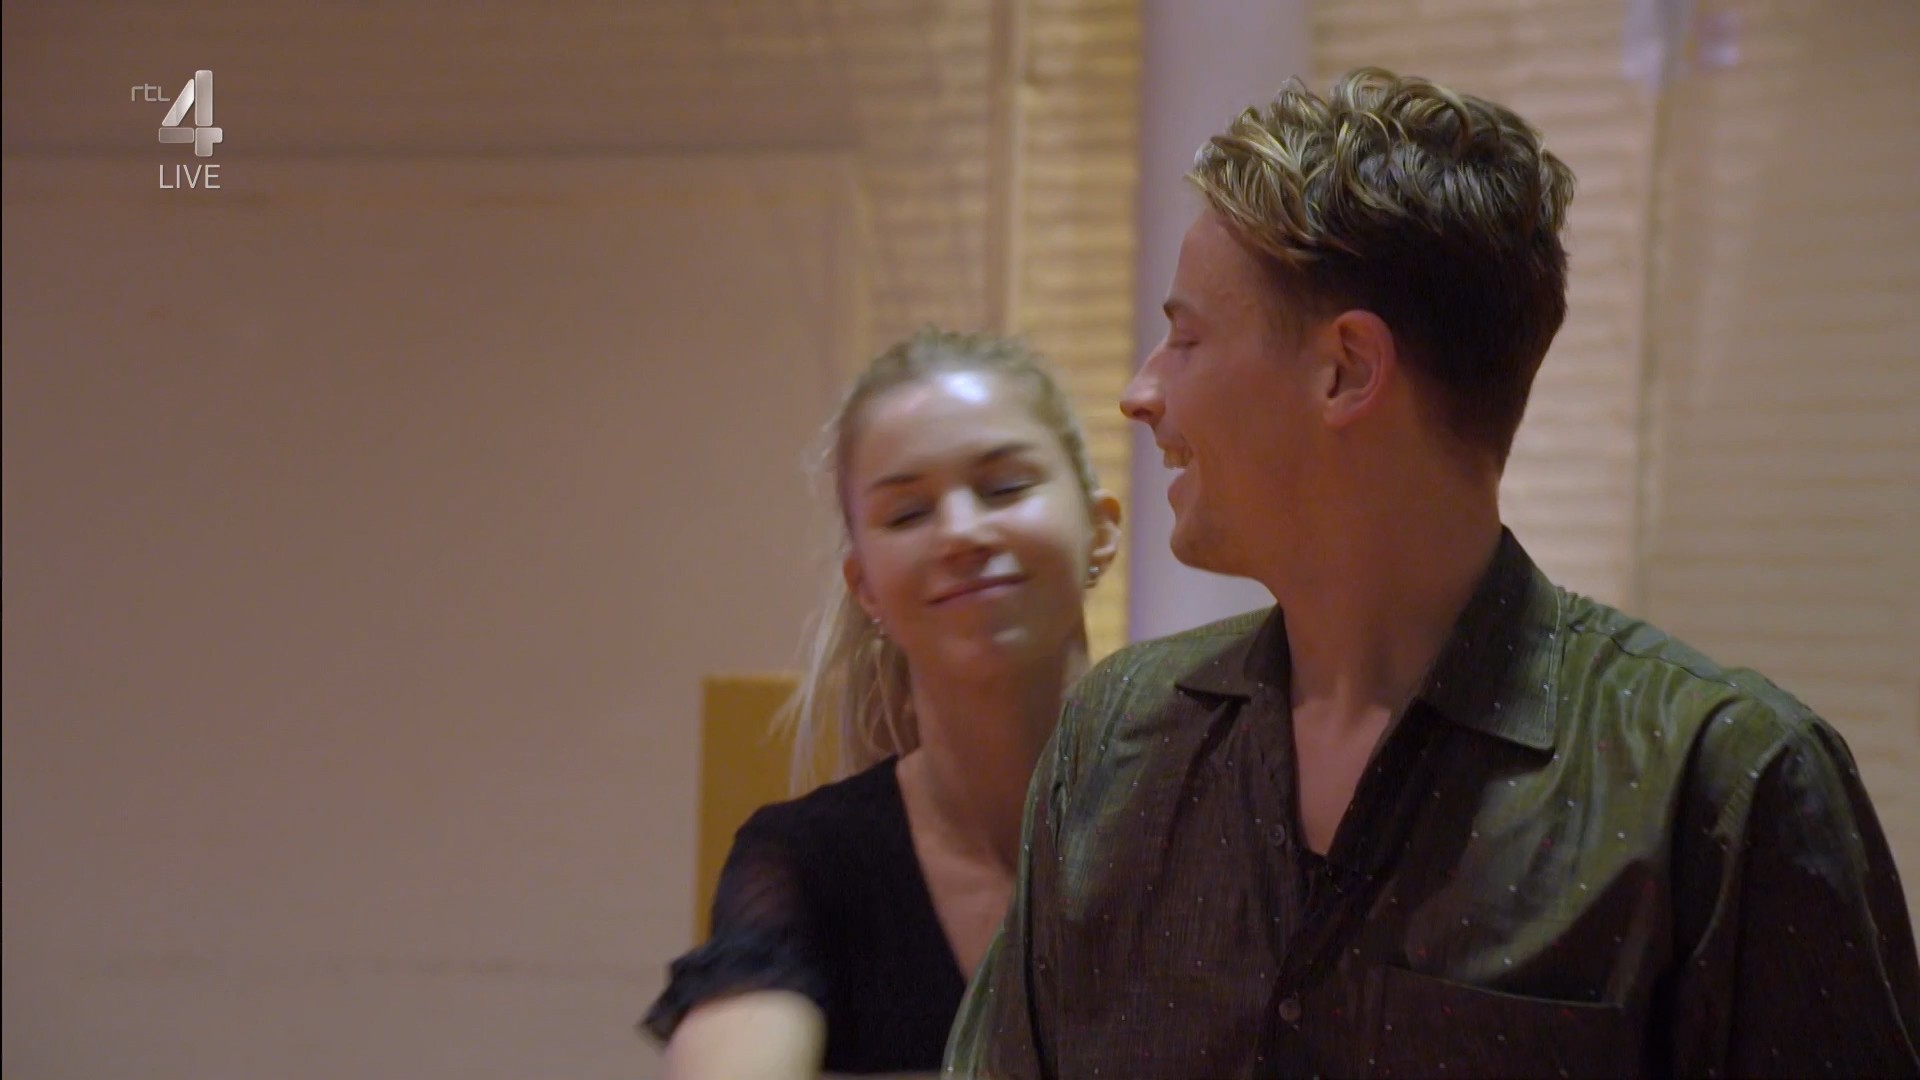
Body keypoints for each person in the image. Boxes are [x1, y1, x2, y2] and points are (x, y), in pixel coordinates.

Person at [946, 67, 1919, 1078]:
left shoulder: (1721, 788)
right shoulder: (1112, 743)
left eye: (1186, 337)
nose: (1140, 392)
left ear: (1346, 370)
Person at [642, 327, 1122, 1077]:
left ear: (1101, 530)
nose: (961, 533)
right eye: (907, 514)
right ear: (864, 586)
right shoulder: (809, 861)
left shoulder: (1218, 813)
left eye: (1004, 487)